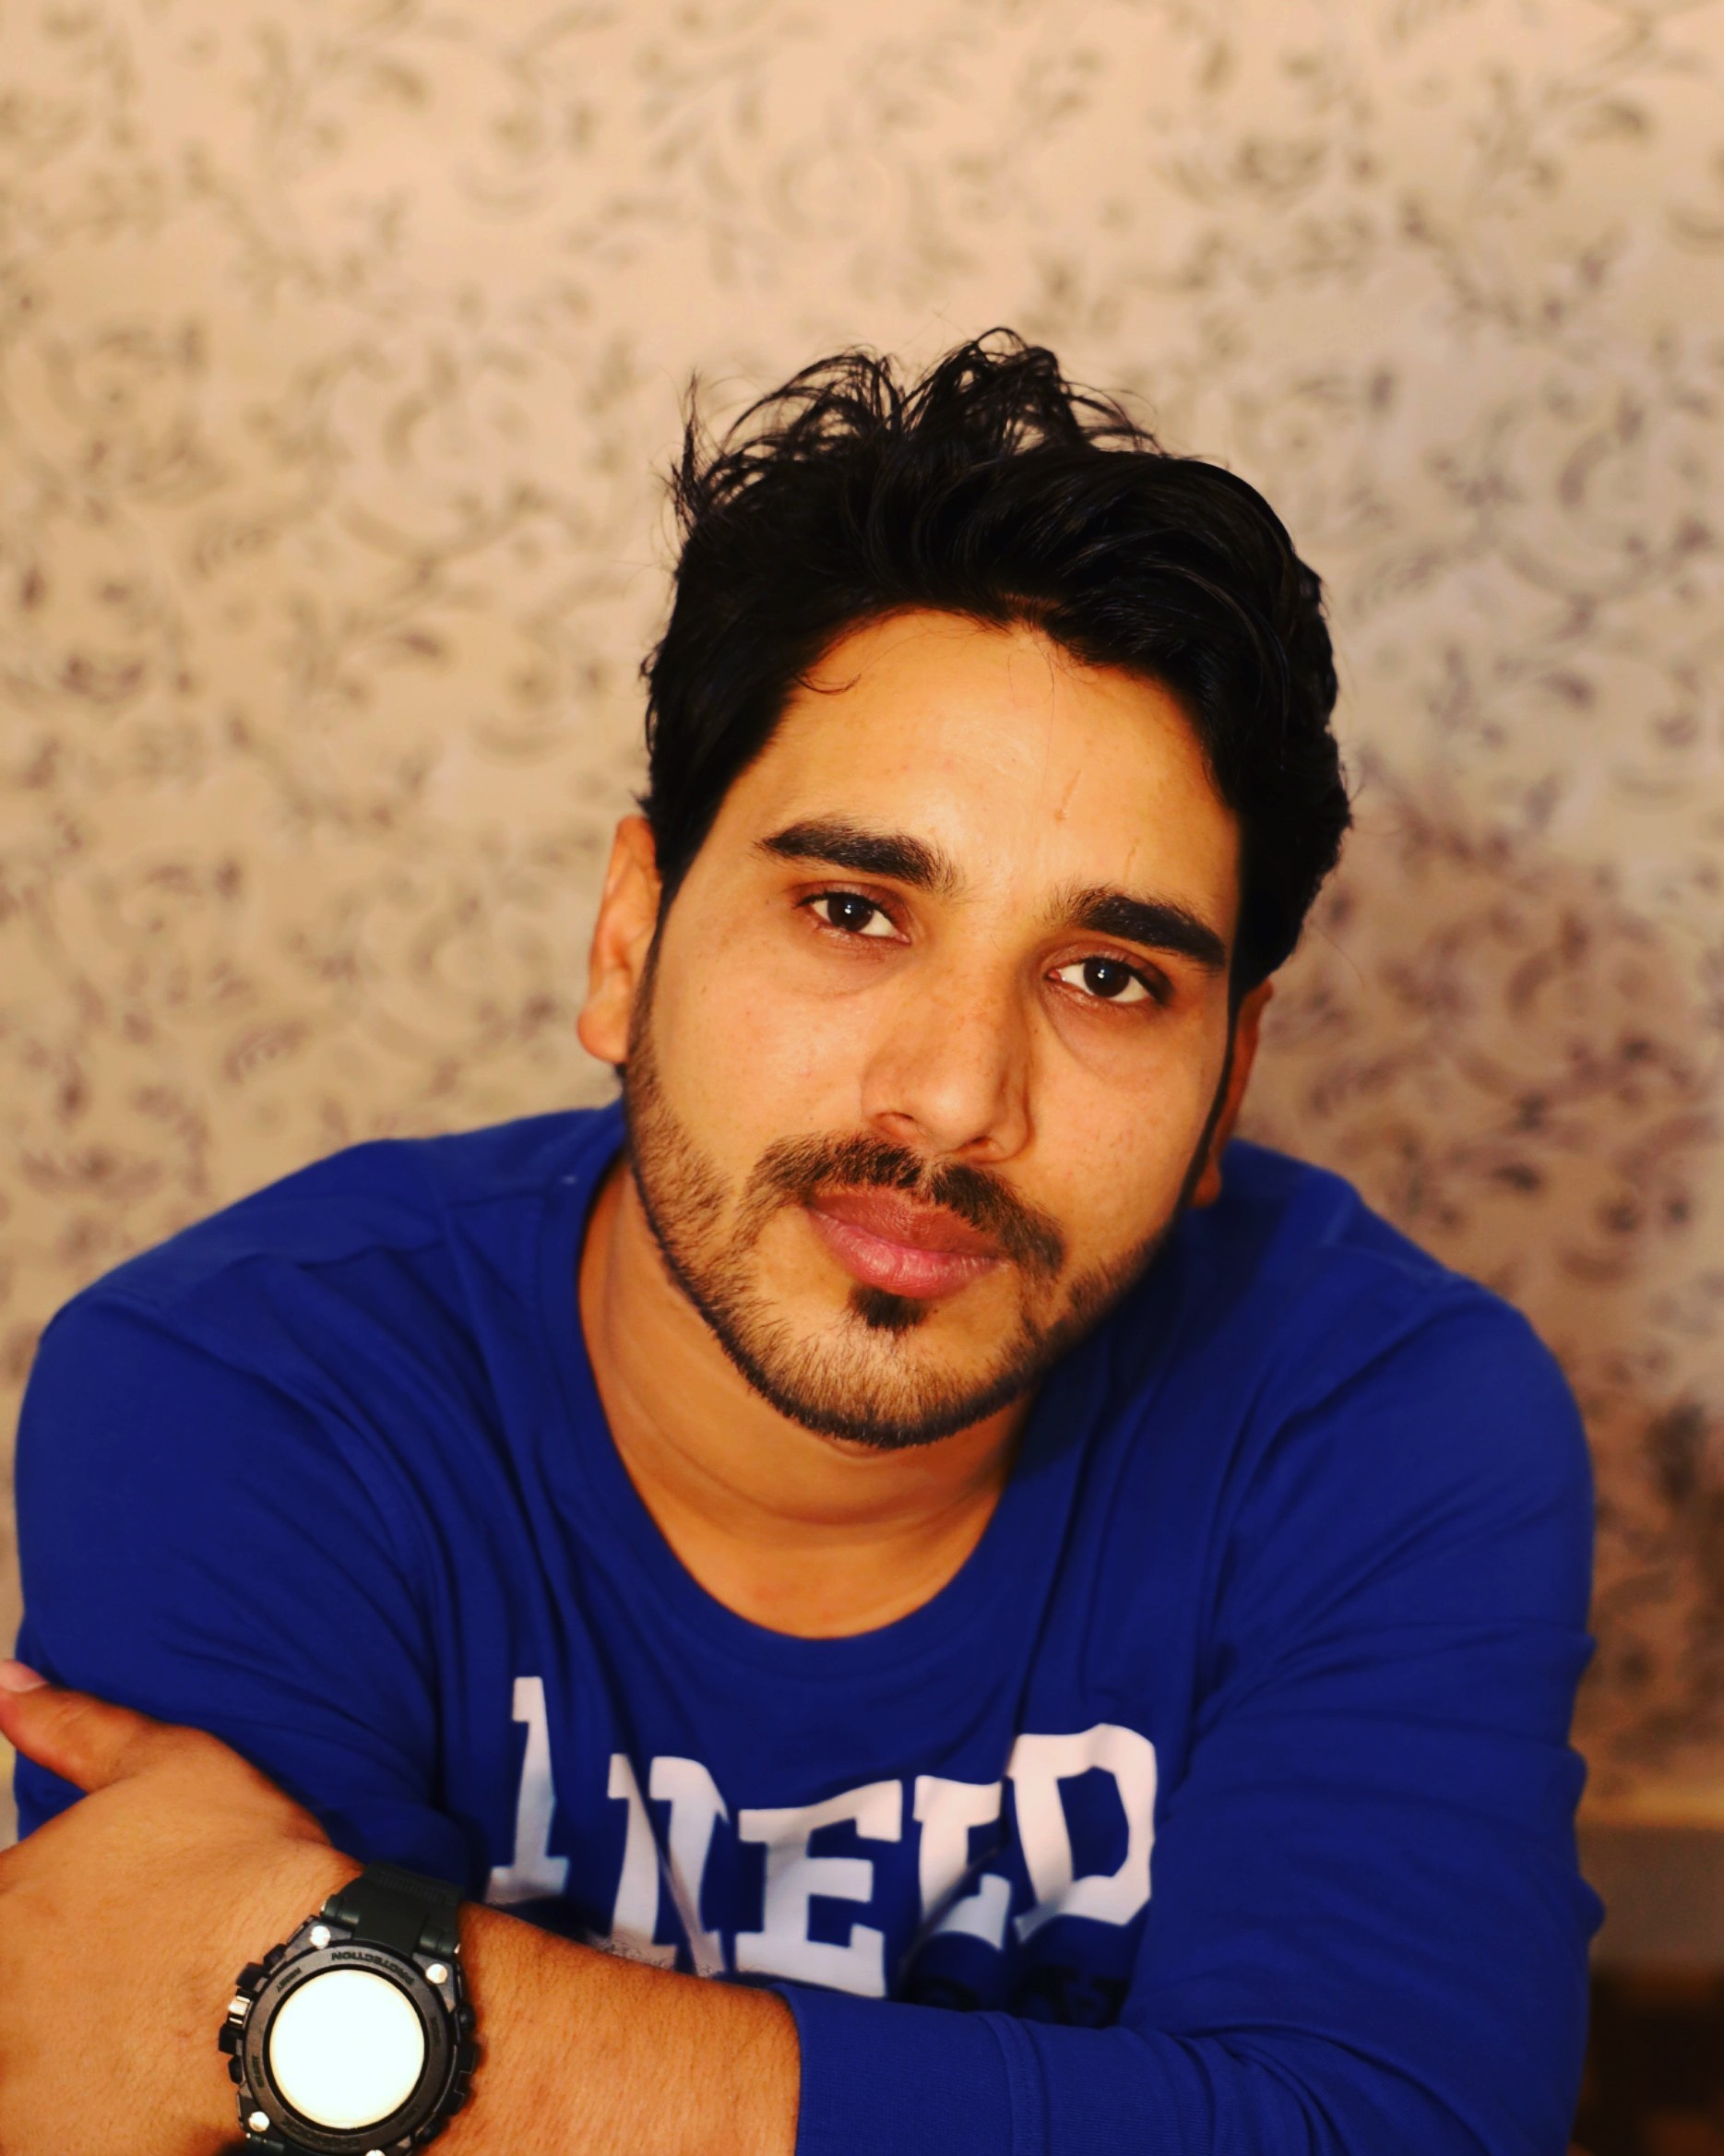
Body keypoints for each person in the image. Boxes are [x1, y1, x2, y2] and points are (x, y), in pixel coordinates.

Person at [0, 334, 1597, 2156]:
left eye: (1105, 977)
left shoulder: (1381, 1421)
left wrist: (360, 2018)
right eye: (851, 908)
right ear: (628, 941)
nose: (954, 1097)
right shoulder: (244, 1396)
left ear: (1226, 1079)